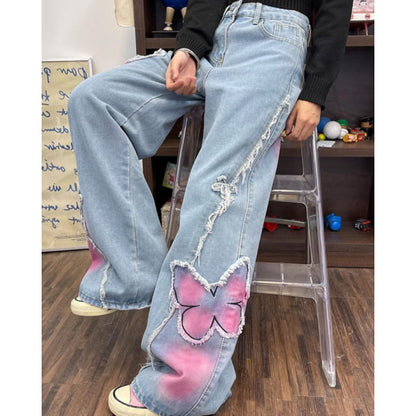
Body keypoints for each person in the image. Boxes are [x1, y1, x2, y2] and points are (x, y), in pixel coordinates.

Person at [67, 0, 353, 415]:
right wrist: (188, 46)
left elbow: (336, 7)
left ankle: (185, 385)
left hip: (274, 44)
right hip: (213, 39)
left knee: (217, 191)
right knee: (94, 101)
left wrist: (315, 91)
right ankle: (131, 272)